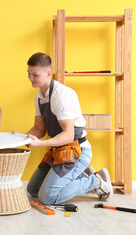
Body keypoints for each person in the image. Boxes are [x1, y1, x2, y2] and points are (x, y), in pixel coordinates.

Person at [22, 52, 113, 205]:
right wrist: (19, 137)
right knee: (33, 189)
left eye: (35, 75)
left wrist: (39, 144)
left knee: (47, 198)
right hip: (59, 152)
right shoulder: (39, 96)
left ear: (48, 73)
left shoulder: (60, 95)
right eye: (29, 74)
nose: (31, 78)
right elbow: (39, 128)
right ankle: (81, 176)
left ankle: (96, 180)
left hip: (76, 151)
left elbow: (68, 135)